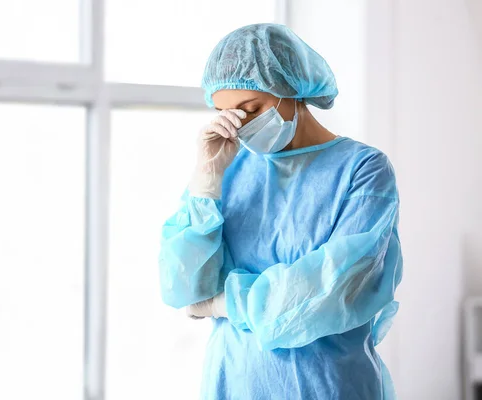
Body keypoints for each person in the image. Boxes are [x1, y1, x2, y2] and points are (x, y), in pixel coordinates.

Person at [158, 23, 403, 400]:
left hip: (329, 385)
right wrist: (206, 179)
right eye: (226, 114)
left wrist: (225, 302)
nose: (240, 126)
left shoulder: (363, 169)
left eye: (251, 109)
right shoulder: (229, 170)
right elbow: (185, 287)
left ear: (291, 90)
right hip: (234, 382)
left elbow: (331, 290)